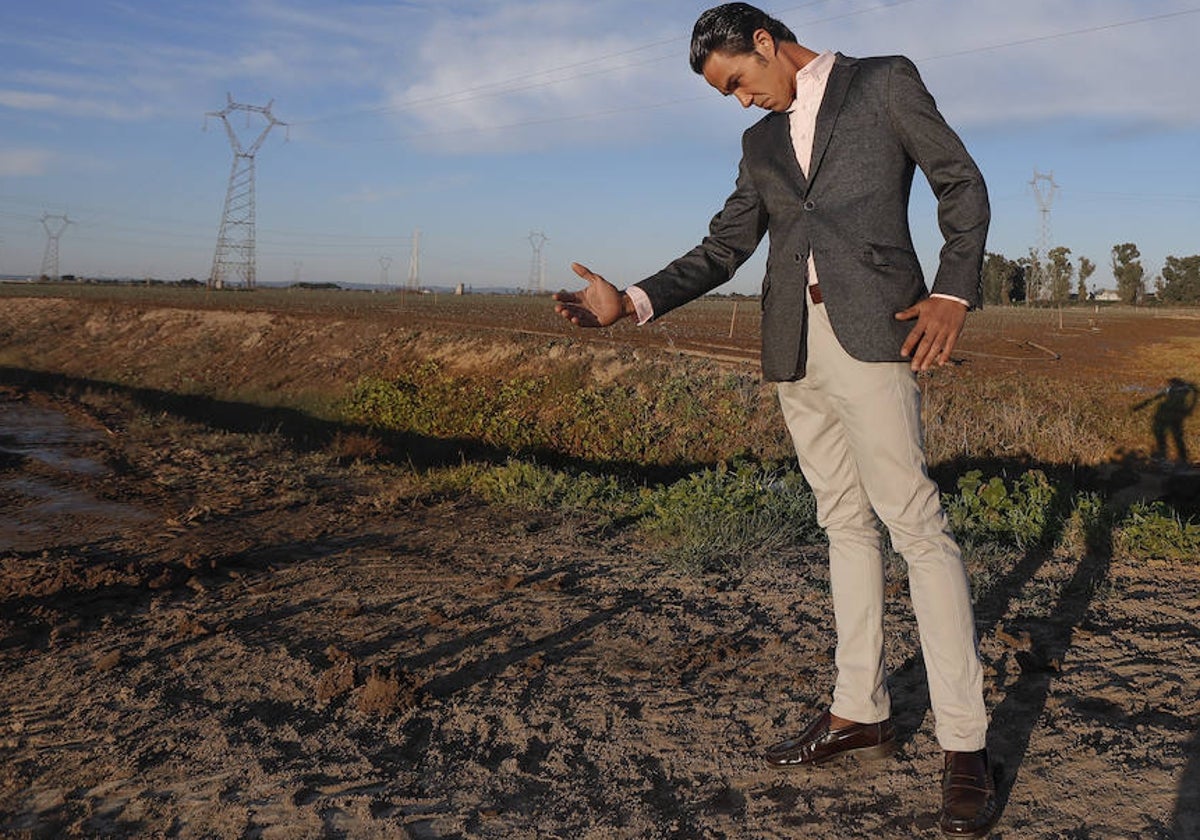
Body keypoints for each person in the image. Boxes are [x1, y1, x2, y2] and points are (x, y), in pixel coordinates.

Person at [553, 3, 998, 836]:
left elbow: (960, 181)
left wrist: (953, 290)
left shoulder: (884, 81)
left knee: (915, 526)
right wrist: (633, 302)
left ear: (764, 42)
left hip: (876, 333)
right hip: (794, 345)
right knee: (843, 523)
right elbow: (727, 245)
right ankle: (858, 710)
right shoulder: (759, 145)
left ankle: (965, 743)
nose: (741, 101)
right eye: (726, 95)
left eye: (737, 81)